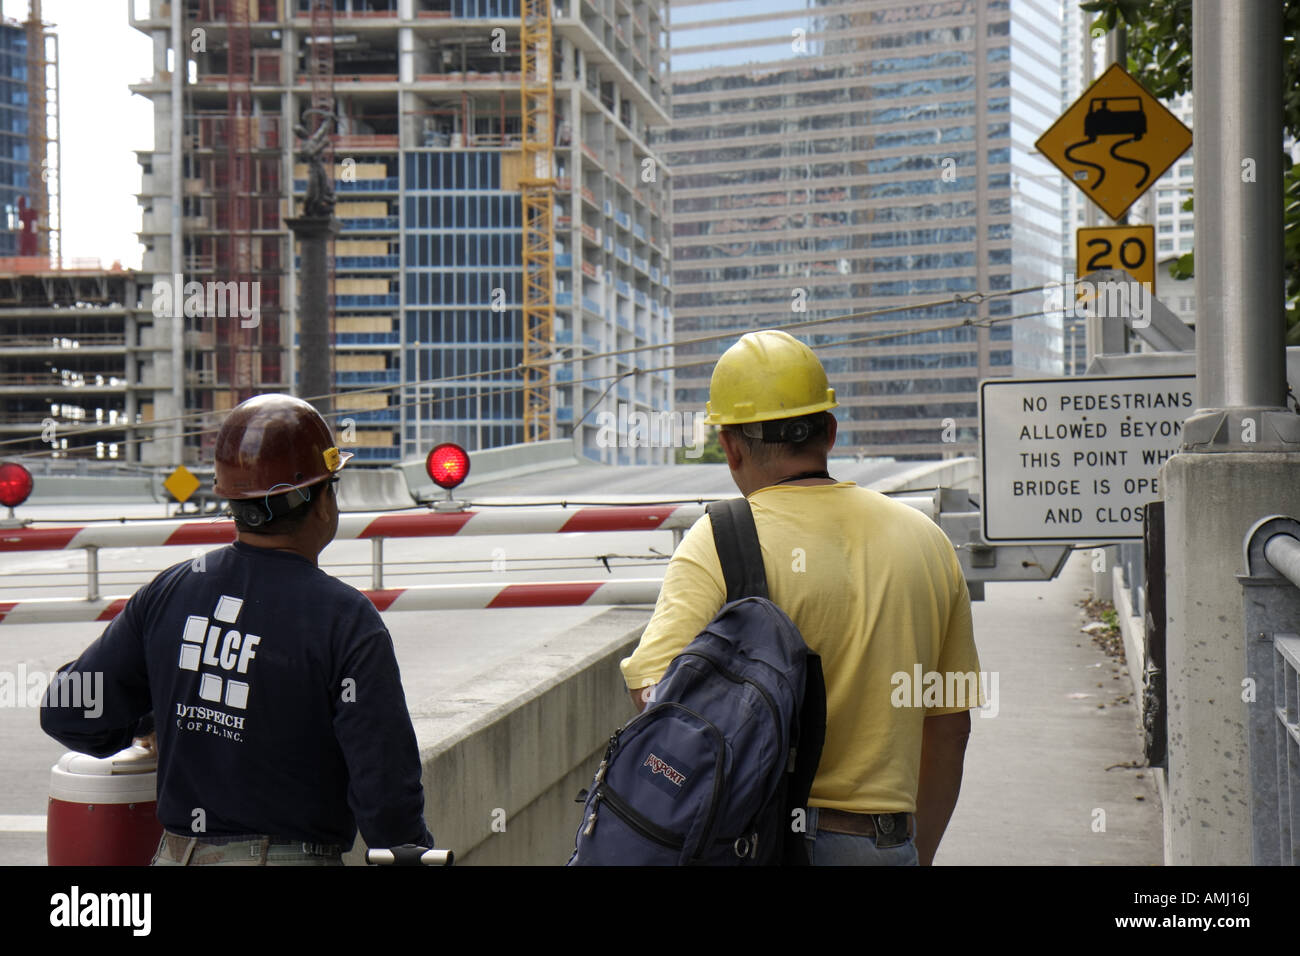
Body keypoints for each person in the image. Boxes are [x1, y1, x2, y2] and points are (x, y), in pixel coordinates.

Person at [620, 330, 981, 866]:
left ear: (730, 445)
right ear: (829, 431)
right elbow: (950, 727)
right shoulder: (925, 539)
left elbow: (656, 696)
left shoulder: (719, 541)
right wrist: (911, 853)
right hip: (882, 844)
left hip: (759, 844)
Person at [40, 394, 434, 865]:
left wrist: (161, 715)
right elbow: (385, 791)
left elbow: (68, 710)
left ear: (232, 502)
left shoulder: (172, 590)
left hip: (176, 855)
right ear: (324, 502)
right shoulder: (345, 620)